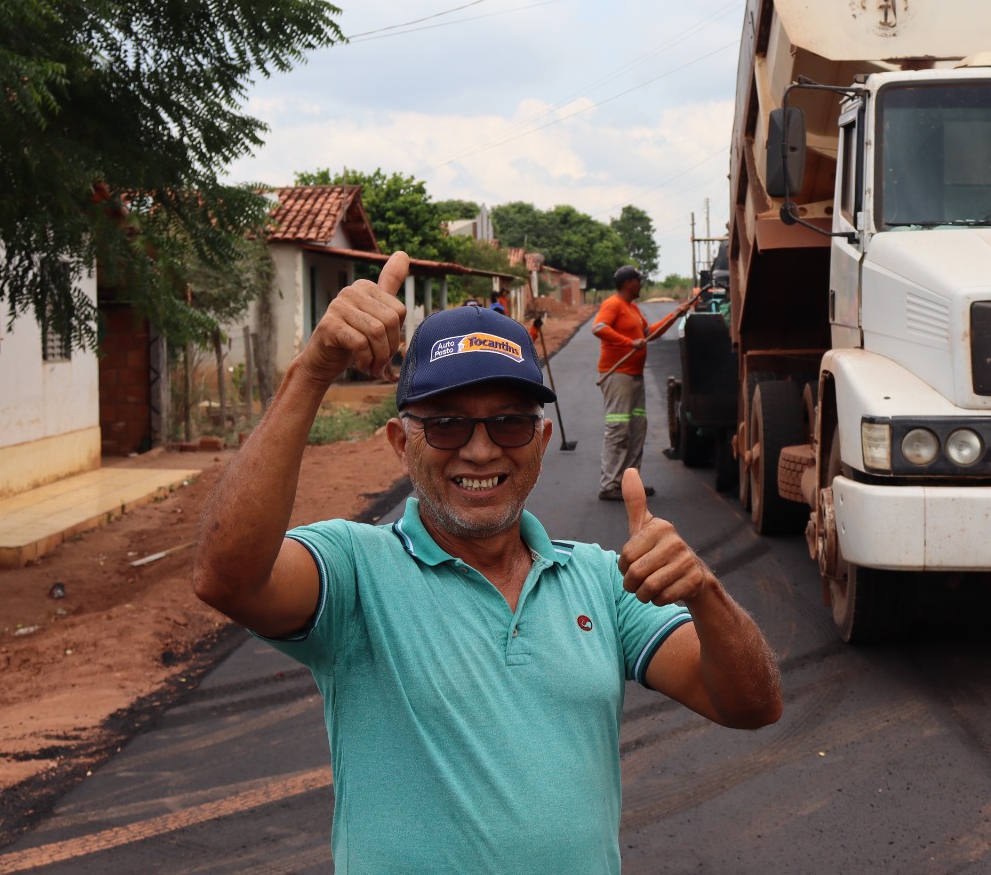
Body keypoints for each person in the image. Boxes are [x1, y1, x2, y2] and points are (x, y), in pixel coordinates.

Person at [192, 253, 781, 874]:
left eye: (508, 423)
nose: (480, 449)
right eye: (446, 424)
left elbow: (750, 705)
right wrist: (312, 371)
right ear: (400, 443)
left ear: (541, 442)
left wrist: (705, 595)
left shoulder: (604, 581)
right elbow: (227, 577)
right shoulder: (355, 572)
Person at [592, 265, 677, 502]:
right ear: (629, 282)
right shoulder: (613, 304)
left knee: (637, 428)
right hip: (618, 375)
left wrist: (674, 315)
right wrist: (628, 343)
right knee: (618, 430)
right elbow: (598, 328)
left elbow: (649, 333)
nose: (641, 284)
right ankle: (609, 485)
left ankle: (629, 485)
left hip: (635, 378)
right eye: (638, 281)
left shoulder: (633, 308)